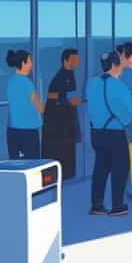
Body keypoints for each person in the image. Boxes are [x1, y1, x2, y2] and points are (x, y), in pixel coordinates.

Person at [87, 51, 132, 216]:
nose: (121, 68)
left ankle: (96, 205)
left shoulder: (91, 83)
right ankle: (117, 206)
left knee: (100, 169)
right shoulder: (118, 85)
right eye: (120, 65)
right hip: (115, 134)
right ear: (114, 66)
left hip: (96, 133)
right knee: (120, 169)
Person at [44, 49, 82, 179]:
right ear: (66, 60)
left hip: (65, 119)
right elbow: (53, 96)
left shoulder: (69, 74)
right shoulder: (63, 76)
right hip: (60, 122)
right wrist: (67, 100)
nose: (77, 61)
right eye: (74, 58)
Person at [5, 49, 44, 160]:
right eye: (30, 61)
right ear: (23, 63)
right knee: (32, 167)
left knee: (17, 167)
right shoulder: (27, 84)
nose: (31, 64)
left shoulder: (11, 81)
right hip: (28, 132)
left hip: (12, 131)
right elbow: (39, 107)